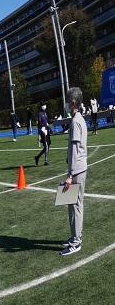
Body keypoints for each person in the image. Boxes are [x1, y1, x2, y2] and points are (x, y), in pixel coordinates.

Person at [61, 87, 88, 256]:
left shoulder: (76, 121)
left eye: (66, 101)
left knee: (75, 206)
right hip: (79, 168)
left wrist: (70, 175)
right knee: (74, 205)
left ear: (72, 103)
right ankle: (74, 236)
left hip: (77, 170)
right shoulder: (78, 119)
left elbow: (75, 150)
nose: (64, 104)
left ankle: (76, 241)